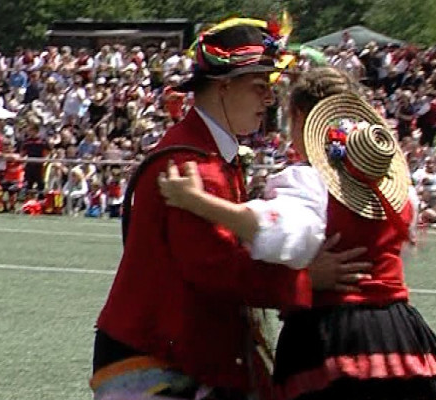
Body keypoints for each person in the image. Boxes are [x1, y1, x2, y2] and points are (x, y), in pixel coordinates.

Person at [91, 19, 376, 399]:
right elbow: (216, 270)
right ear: (224, 87)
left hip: (173, 349)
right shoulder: (195, 167)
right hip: (155, 357)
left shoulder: (207, 155)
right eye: (259, 87)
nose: (269, 100)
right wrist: (307, 279)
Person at [157, 72, 436, 399]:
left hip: (333, 334)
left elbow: (278, 233)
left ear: (301, 117)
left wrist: (197, 201)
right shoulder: (396, 188)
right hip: (400, 331)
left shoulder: (308, 181)